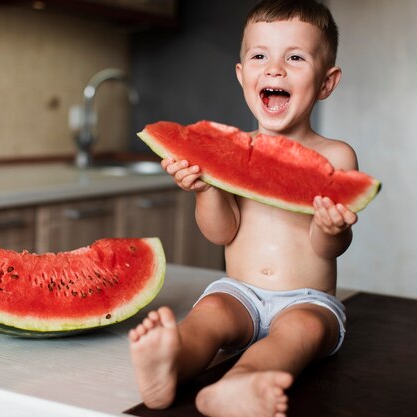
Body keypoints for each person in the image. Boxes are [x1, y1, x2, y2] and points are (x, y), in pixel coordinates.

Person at [128, 1, 358, 416]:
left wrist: (330, 226)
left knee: (302, 331)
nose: (274, 69)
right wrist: (205, 189)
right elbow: (222, 233)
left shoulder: (336, 157)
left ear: (327, 82)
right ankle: (171, 365)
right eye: (259, 56)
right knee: (209, 313)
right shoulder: (229, 151)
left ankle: (238, 385)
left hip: (307, 299)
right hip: (239, 291)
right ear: (241, 75)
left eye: (295, 57)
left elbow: (329, 249)